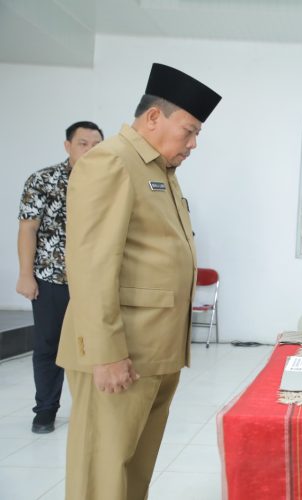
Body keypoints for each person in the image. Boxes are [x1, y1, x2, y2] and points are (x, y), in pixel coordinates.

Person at [56, 63, 221, 500]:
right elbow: (91, 265)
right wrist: (106, 354)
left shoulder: (159, 170)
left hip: (155, 353)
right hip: (120, 355)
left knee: (131, 476)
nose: (193, 143)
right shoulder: (110, 162)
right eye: (189, 131)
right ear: (153, 118)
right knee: (101, 476)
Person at [16, 121, 104, 434]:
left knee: (98, 346)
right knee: (48, 346)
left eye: (96, 144)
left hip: (96, 281)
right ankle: (46, 411)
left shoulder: (110, 181)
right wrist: (26, 275)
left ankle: (94, 411)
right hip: (53, 278)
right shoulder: (42, 180)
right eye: (83, 143)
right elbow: (28, 228)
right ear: (68, 146)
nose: (90, 150)